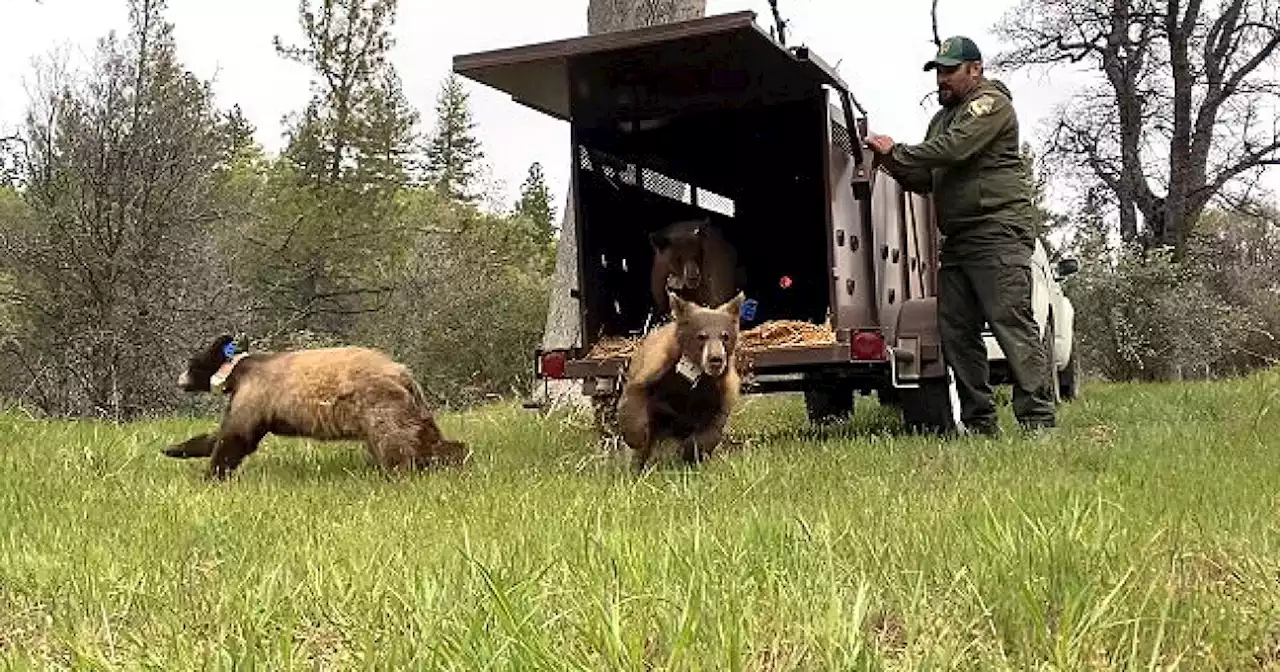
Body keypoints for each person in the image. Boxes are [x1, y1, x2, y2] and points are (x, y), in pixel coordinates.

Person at [865, 35, 1056, 436]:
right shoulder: (942, 118)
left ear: (976, 69)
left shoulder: (991, 104)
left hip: (997, 231)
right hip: (960, 240)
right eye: (938, 71)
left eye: (950, 70)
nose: (942, 79)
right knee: (956, 332)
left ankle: (1038, 421)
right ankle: (979, 422)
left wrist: (898, 150)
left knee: (1011, 323)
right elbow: (925, 176)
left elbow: (954, 150)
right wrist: (889, 161)